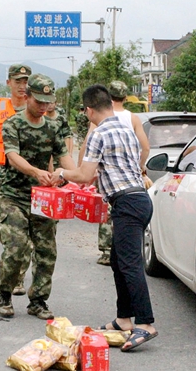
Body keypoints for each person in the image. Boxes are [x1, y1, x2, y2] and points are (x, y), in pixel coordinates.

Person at [51, 84, 158, 352]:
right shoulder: (126, 129)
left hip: (128, 203)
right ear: (110, 103)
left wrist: (63, 175)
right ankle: (123, 319)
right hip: (140, 199)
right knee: (117, 261)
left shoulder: (98, 133)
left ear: (88, 110)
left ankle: (145, 323)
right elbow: (112, 168)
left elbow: (85, 174)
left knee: (130, 264)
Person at [0, 73, 76, 320]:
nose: (44, 107)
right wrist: (36, 172)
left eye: (48, 102)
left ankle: (38, 300)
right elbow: (13, 156)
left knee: (47, 251)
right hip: (13, 194)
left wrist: (74, 175)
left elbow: (63, 157)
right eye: (39, 101)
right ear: (27, 97)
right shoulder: (12, 125)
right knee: (16, 247)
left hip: (43, 197)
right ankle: (4, 292)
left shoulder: (53, 127)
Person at [79, 80, 150, 266]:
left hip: (121, 196)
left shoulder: (98, 126)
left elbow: (86, 155)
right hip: (138, 192)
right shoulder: (131, 121)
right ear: (125, 98)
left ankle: (105, 250)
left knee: (129, 265)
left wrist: (72, 173)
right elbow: (145, 148)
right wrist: (139, 171)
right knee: (122, 262)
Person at [0, 63, 32, 296]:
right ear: (9, 82)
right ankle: (13, 269)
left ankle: (19, 277)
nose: (22, 86)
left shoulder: (36, 107)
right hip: (3, 174)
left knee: (28, 231)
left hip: (31, 176)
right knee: (9, 231)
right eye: (18, 81)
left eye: (25, 81)